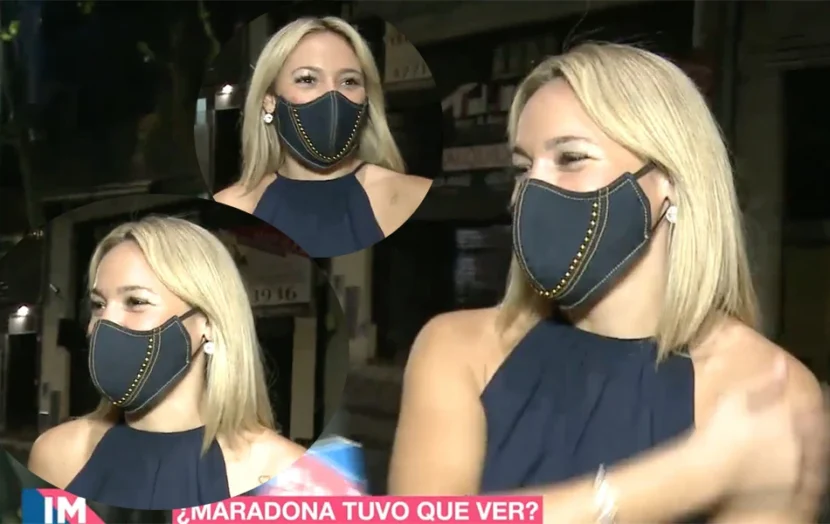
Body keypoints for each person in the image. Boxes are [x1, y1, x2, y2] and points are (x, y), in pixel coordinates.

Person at [388, 43, 829, 523]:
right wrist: (686, 477)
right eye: (522, 168)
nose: (528, 192)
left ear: (670, 182)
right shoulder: (457, 349)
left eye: (571, 158)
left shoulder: (763, 391)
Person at [27, 216, 306, 510]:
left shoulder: (288, 477)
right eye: (98, 305)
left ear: (209, 323)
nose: (103, 323)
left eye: (136, 302)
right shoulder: (55, 457)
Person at [214, 16, 432, 258]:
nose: (332, 96)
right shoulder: (229, 206)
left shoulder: (414, 196)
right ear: (269, 101)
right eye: (307, 79)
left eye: (349, 81)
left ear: (366, 100)